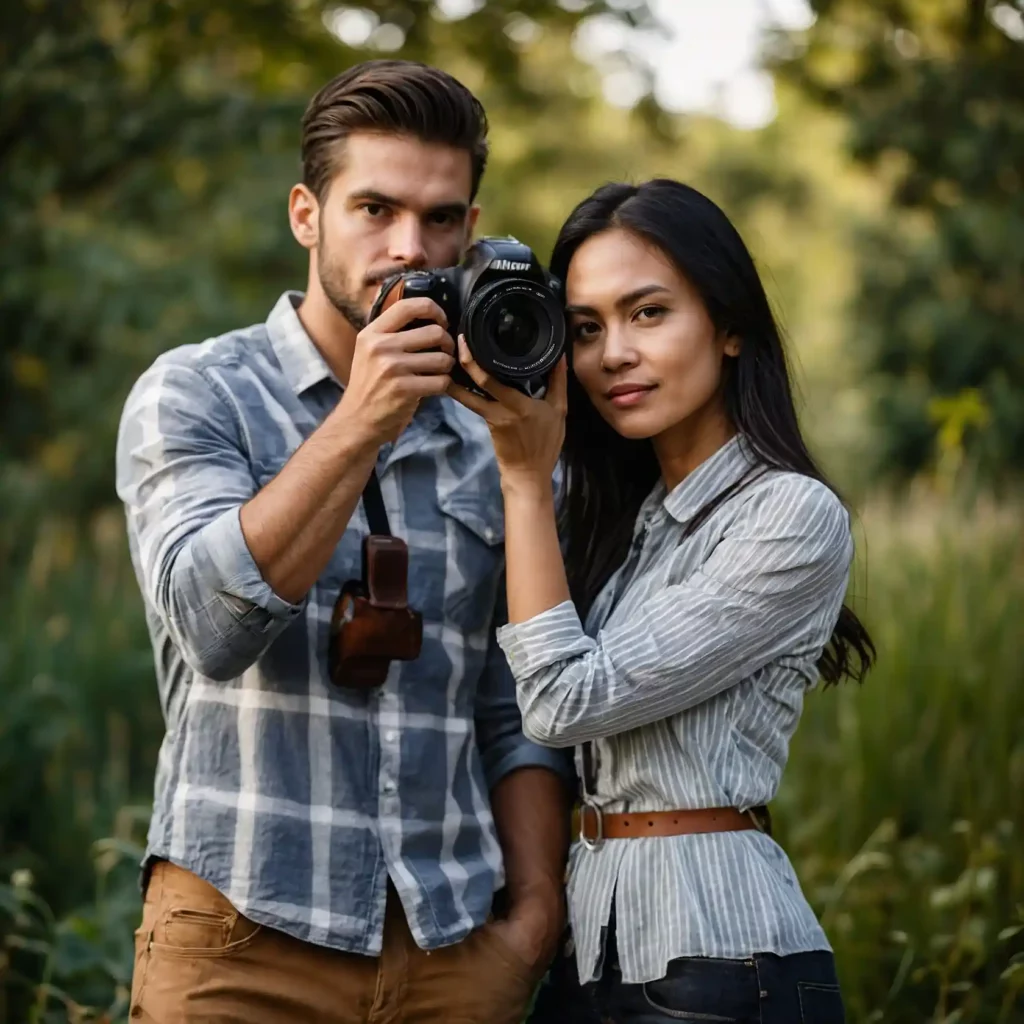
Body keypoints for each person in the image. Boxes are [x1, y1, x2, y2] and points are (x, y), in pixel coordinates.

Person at [115, 59, 573, 1024]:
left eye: (442, 219)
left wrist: (534, 918)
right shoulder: (199, 392)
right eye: (375, 209)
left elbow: (514, 700)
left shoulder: (499, 427)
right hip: (241, 938)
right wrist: (360, 422)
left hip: (453, 942)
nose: (411, 247)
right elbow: (210, 625)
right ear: (305, 214)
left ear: (472, 228)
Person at [448, 177, 876, 1024]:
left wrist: (524, 480)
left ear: (727, 328)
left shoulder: (789, 515)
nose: (613, 354)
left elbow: (565, 699)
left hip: (720, 960)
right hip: (598, 947)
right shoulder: (631, 521)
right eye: (585, 329)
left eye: (648, 313)